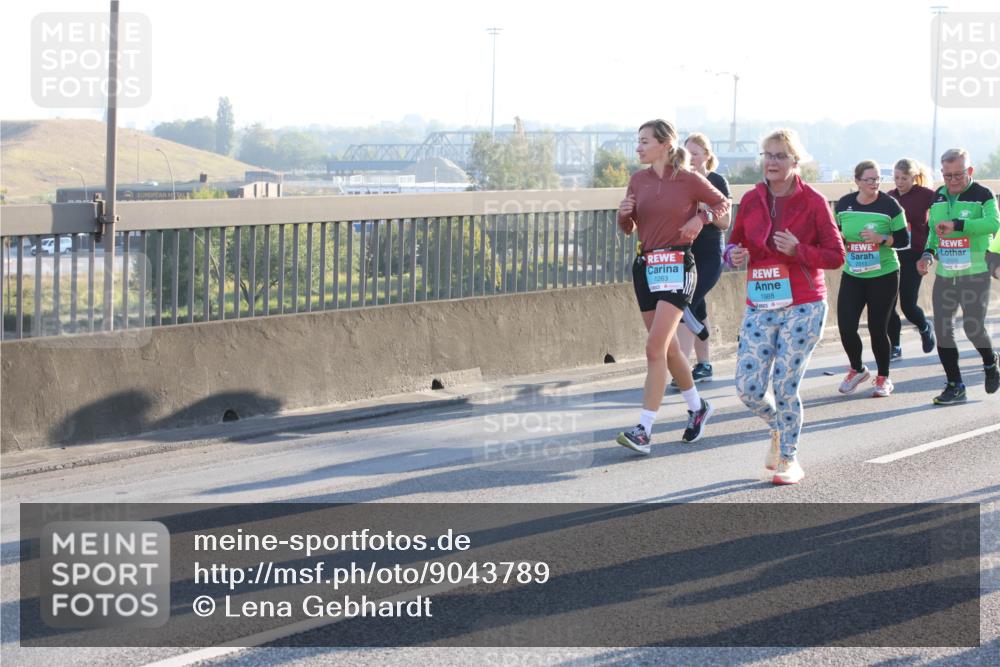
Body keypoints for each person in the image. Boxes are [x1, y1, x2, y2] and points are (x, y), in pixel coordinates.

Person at [725, 129, 845, 484]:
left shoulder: (814, 202)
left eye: (780, 156)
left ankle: (789, 459)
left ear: (795, 162)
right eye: (768, 155)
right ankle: (780, 426)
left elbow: (837, 256)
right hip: (760, 303)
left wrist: (800, 250)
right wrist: (735, 255)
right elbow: (731, 247)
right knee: (748, 387)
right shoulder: (750, 199)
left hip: (803, 304)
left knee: (784, 386)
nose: (772, 162)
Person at [615, 119, 730, 454]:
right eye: (638, 141)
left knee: (653, 347)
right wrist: (624, 215)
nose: (638, 147)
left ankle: (644, 430)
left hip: (679, 266)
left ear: (665, 145)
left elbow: (723, 206)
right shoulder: (638, 180)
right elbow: (629, 227)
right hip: (646, 267)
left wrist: (700, 218)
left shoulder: (689, 179)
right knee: (667, 348)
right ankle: (697, 408)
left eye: (644, 141)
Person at [917, 148, 1000, 404]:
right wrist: (928, 254)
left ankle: (990, 361)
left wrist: (960, 225)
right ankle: (955, 385)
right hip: (945, 273)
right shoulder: (938, 196)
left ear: (970, 171)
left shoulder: (982, 195)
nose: (952, 181)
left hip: (975, 272)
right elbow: (933, 231)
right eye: (947, 175)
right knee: (942, 329)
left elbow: (993, 224)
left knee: (974, 328)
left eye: (958, 175)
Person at [834, 160, 910, 398]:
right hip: (853, 274)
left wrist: (881, 238)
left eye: (878, 179)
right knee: (846, 326)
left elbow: (904, 240)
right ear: (857, 181)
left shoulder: (890, 206)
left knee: (878, 328)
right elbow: (837, 234)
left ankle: (883, 378)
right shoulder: (844, 205)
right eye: (869, 179)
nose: (874, 184)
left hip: (884, 275)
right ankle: (857, 369)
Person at [670, 132, 732, 386]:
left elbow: (725, 222)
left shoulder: (717, 181)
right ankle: (704, 364)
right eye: (687, 154)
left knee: (686, 305)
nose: (691, 159)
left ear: (707, 155)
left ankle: (681, 368)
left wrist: (704, 211)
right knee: (698, 306)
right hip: (685, 255)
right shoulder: (681, 181)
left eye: (696, 153)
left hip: (709, 256)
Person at [887, 158, 936, 359]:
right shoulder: (889, 197)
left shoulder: (926, 195)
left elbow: (941, 214)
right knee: (888, 304)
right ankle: (895, 346)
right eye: (896, 177)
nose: (899, 182)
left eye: (904, 178)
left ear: (914, 177)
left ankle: (924, 327)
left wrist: (929, 252)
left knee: (908, 305)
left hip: (915, 255)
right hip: (892, 255)